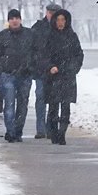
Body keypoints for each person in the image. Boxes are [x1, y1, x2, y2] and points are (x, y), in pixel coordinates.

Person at [0, 9, 33, 142]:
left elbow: (35, 52)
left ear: (20, 19)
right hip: (7, 74)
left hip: (25, 75)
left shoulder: (29, 35)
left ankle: (18, 131)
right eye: (12, 18)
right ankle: (10, 131)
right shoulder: (2, 36)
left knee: (22, 104)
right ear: (8, 21)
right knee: (9, 104)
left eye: (16, 18)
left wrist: (31, 67)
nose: (14, 20)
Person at [39, 8, 83, 144]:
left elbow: (79, 55)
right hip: (53, 77)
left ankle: (62, 132)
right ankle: (52, 131)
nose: (60, 23)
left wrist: (73, 68)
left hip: (68, 77)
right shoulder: (49, 36)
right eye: (58, 20)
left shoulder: (72, 36)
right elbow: (43, 55)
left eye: (63, 20)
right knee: (53, 107)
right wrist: (50, 66)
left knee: (65, 106)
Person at [28, 2, 58, 139]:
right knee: (40, 98)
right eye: (50, 12)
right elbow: (31, 47)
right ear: (46, 12)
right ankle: (41, 129)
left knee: (53, 100)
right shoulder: (38, 27)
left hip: (56, 70)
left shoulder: (61, 28)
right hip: (41, 70)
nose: (52, 15)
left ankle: (51, 127)